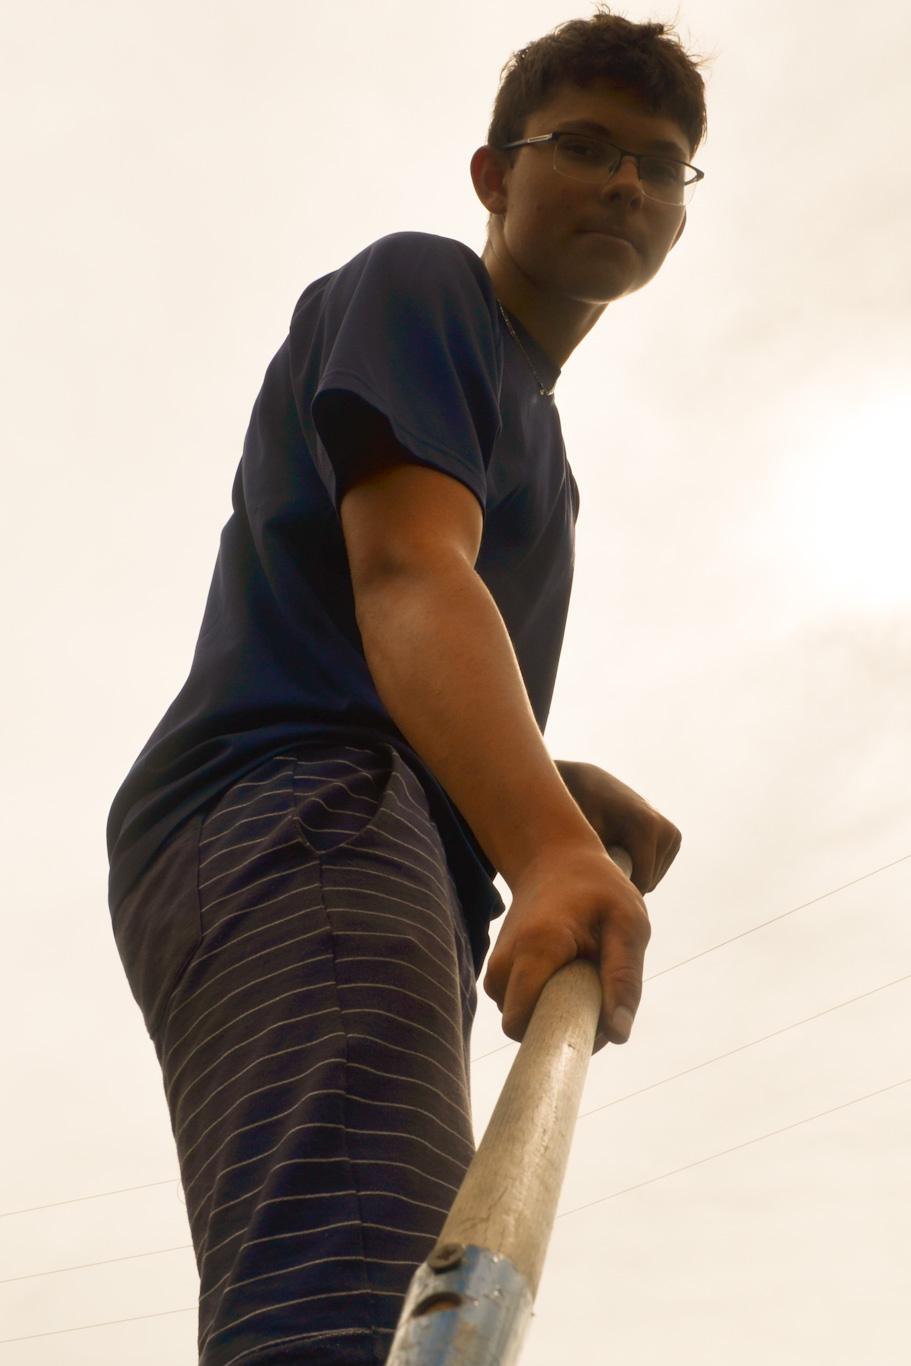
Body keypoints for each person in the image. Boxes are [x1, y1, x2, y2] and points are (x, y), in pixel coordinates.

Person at [107, 9, 705, 1364]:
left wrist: (547, 786)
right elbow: (404, 575)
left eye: (661, 164)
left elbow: (397, 625)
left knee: (357, 1285)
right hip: (302, 802)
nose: (627, 182)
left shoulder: (541, 448)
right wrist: (546, 847)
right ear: (494, 175)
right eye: (585, 146)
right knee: (358, 1288)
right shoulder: (426, 291)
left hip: (371, 832)